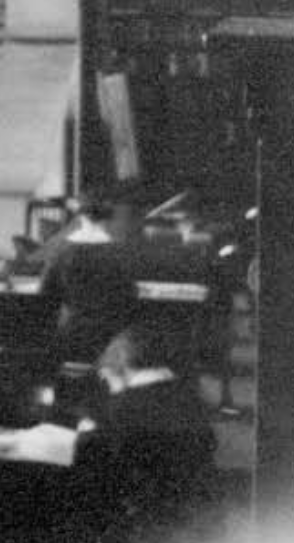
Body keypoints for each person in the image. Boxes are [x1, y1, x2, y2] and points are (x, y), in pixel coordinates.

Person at [72, 327, 221, 542]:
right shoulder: (189, 399)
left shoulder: (121, 409)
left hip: (144, 525)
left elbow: (93, 464)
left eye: (105, 378)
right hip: (199, 522)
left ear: (119, 366)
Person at [40, 192, 144, 368]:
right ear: (107, 220)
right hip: (112, 341)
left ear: (81, 219)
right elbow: (131, 297)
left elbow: (46, 296)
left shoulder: (62, 253)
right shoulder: (120, 254)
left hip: (73, 336)